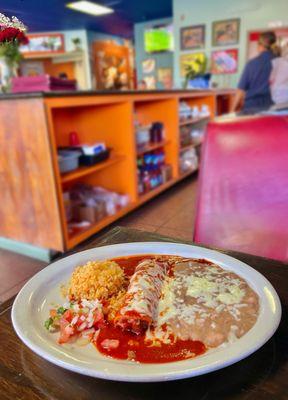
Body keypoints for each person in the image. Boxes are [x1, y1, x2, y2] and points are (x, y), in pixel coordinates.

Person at [231, 31, 279, 112]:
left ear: (260, 45)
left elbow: (240, 90)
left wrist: (231, 111)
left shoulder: (251, 64)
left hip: (251, 108)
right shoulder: (280, 63)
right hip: (272, 107)